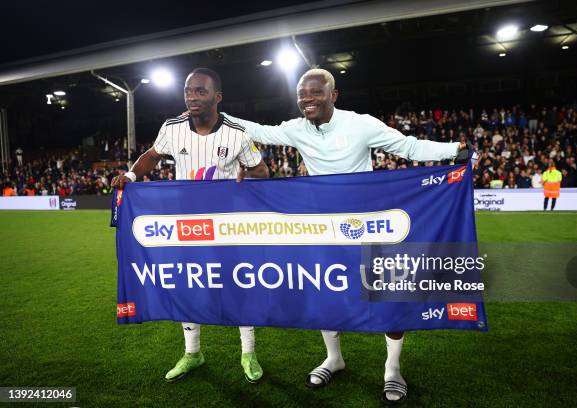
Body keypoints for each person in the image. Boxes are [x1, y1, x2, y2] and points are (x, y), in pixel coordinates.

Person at [223, 68, 470, 405]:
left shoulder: (360, 124)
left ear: (333, 95)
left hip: (368, 224)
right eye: (302, 93)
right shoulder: (297, 129)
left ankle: (392, 369)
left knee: (388, 294)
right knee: (326, 294)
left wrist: (453, 149)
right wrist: (217, 116)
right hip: (324, 227)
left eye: (315, 92)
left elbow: (408, 147)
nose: (307, 98)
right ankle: (334, 359)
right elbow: (259, 131)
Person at [111, 67, 269, 384]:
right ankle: (193, 352)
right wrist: (129, 175)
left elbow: (262, 171)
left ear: (217, 97)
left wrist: (246, 172)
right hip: (187, 224)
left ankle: (248, 353)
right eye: (188, 91)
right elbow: (151, 156)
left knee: (238, 285)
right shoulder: (172, 128)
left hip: (227, 225)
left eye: (200, 91)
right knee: (188, 284)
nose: (192, 97)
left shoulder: (237, 134)